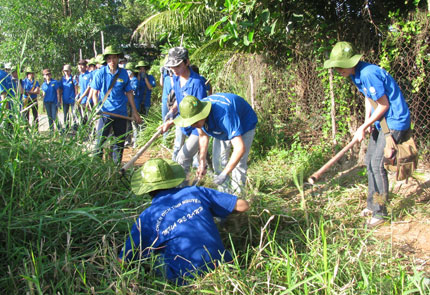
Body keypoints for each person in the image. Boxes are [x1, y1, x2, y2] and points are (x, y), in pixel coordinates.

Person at [118, 158, 249, 285]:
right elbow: (243, 206)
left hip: (186, 279)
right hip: (222, 265)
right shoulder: (196, 191)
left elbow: (123, 260)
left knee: (153, 257)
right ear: (173, 179)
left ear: (147, 189)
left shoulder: (147, 217)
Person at [324, 41, 411, 228]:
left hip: (394, 121)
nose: (338, 69)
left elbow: (384, 105)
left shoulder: (368, 73)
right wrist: (368, 121)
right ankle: (372, 205)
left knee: (378, 165)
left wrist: (363, 126)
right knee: (370, 161)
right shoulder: (355, 75)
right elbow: (369, 98)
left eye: (340, 65)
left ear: (350, 62)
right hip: (381, 121)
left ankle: (380, 212)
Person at [173, 94, 258, 195]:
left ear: (202, 114)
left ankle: (238, 197)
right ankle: (225, 195)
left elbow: (240, 148)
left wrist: (225, 173)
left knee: (238, 165)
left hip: (244, 123)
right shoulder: (195, 111)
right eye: (191, 123)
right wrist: (202, 162)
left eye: (195, 122)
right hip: (221, 127)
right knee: (218, 163)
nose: (193, 125)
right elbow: (203, 136)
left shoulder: (223, 115)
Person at [90, 45, 142, 163]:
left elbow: (129, 93)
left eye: (114, 58)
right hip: (105, 113)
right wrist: (96, 108)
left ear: (118, 59)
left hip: (121, 113)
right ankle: (96, 169)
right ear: (106, 60)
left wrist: (135, 112)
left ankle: (115, 169)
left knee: (119, 144)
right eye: (109, 58)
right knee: (99, 144)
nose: (112, 61)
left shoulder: (124, 74)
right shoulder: (100, 73)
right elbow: (94, 93)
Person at [162, 47, 207, 170]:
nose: (174, 70)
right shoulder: (176, 78)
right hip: (182, 122)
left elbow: (200, 113)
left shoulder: (197, 83)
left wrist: (171, 122)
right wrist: (173, 111)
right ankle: (204, 171)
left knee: (183, 158)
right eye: (172, 67)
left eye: (177, 66)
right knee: (180, 150)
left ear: (187, 62)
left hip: (196, 126)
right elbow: (179, 99)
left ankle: (184, 186)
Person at [59, 64, 78, 130]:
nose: (66, 72)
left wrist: (76, 97)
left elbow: (76, 88)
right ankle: (66, 126)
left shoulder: (73, 79)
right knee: (65, 114)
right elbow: (61, 89)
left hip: (72, 98)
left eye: (67, 71)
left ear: (70, 71)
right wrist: (60, 99)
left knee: (74, 113)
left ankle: (75, 126)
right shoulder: (62, 79)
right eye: (65, 71)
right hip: (65, 99)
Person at [76, 60, 92, 125]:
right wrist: (78, 96)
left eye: (82, 65)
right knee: (82, 119)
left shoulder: (89, 75)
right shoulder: (80, 76)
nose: (81, 67)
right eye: (79, 65)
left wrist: (81, 98)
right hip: (81, 101)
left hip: (88, 100)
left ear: (86, 67)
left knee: (89, 118)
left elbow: (89, 88)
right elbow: (80, 87)